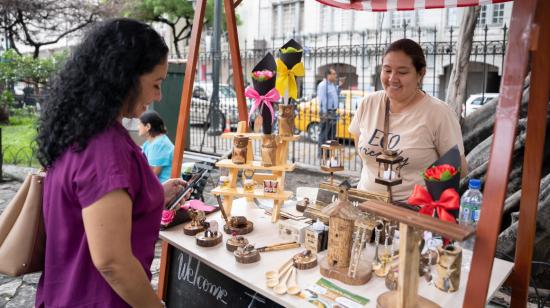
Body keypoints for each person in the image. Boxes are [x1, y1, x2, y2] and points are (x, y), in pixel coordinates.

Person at [36, 19, 185, 307]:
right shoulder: (106, 148)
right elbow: (112, 261)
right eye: (156, 84)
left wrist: (153, 194)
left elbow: (94, 204)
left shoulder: (78, 131)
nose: (158, 96)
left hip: (63, 295)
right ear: (124, 77)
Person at [349, 38, 467, 202]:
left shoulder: (439, 113)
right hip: (364, 206)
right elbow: (359, 146)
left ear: (421, 73)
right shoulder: (368, 103)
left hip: (411, 215)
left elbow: (458, 169)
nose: (392, 78)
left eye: (402, 72)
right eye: (387, 70)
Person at [138, 111, 174, 183]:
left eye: (139, 124)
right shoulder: (149, 143)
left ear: (148, 126)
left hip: (163, 189)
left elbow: (152, 175)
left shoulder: (159, 145)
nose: (137, 127)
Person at [316, 67, 341, 157]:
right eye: (334, 74)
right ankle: (322, 154)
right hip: (326, 112)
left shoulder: (332, 85)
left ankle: (329, 154)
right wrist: (324, 113)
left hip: (333, 112)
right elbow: (322, 100)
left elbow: (335, 96)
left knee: (331, 135)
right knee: (324, 134)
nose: (336, 76)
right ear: (328, 75)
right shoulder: (323, 85)